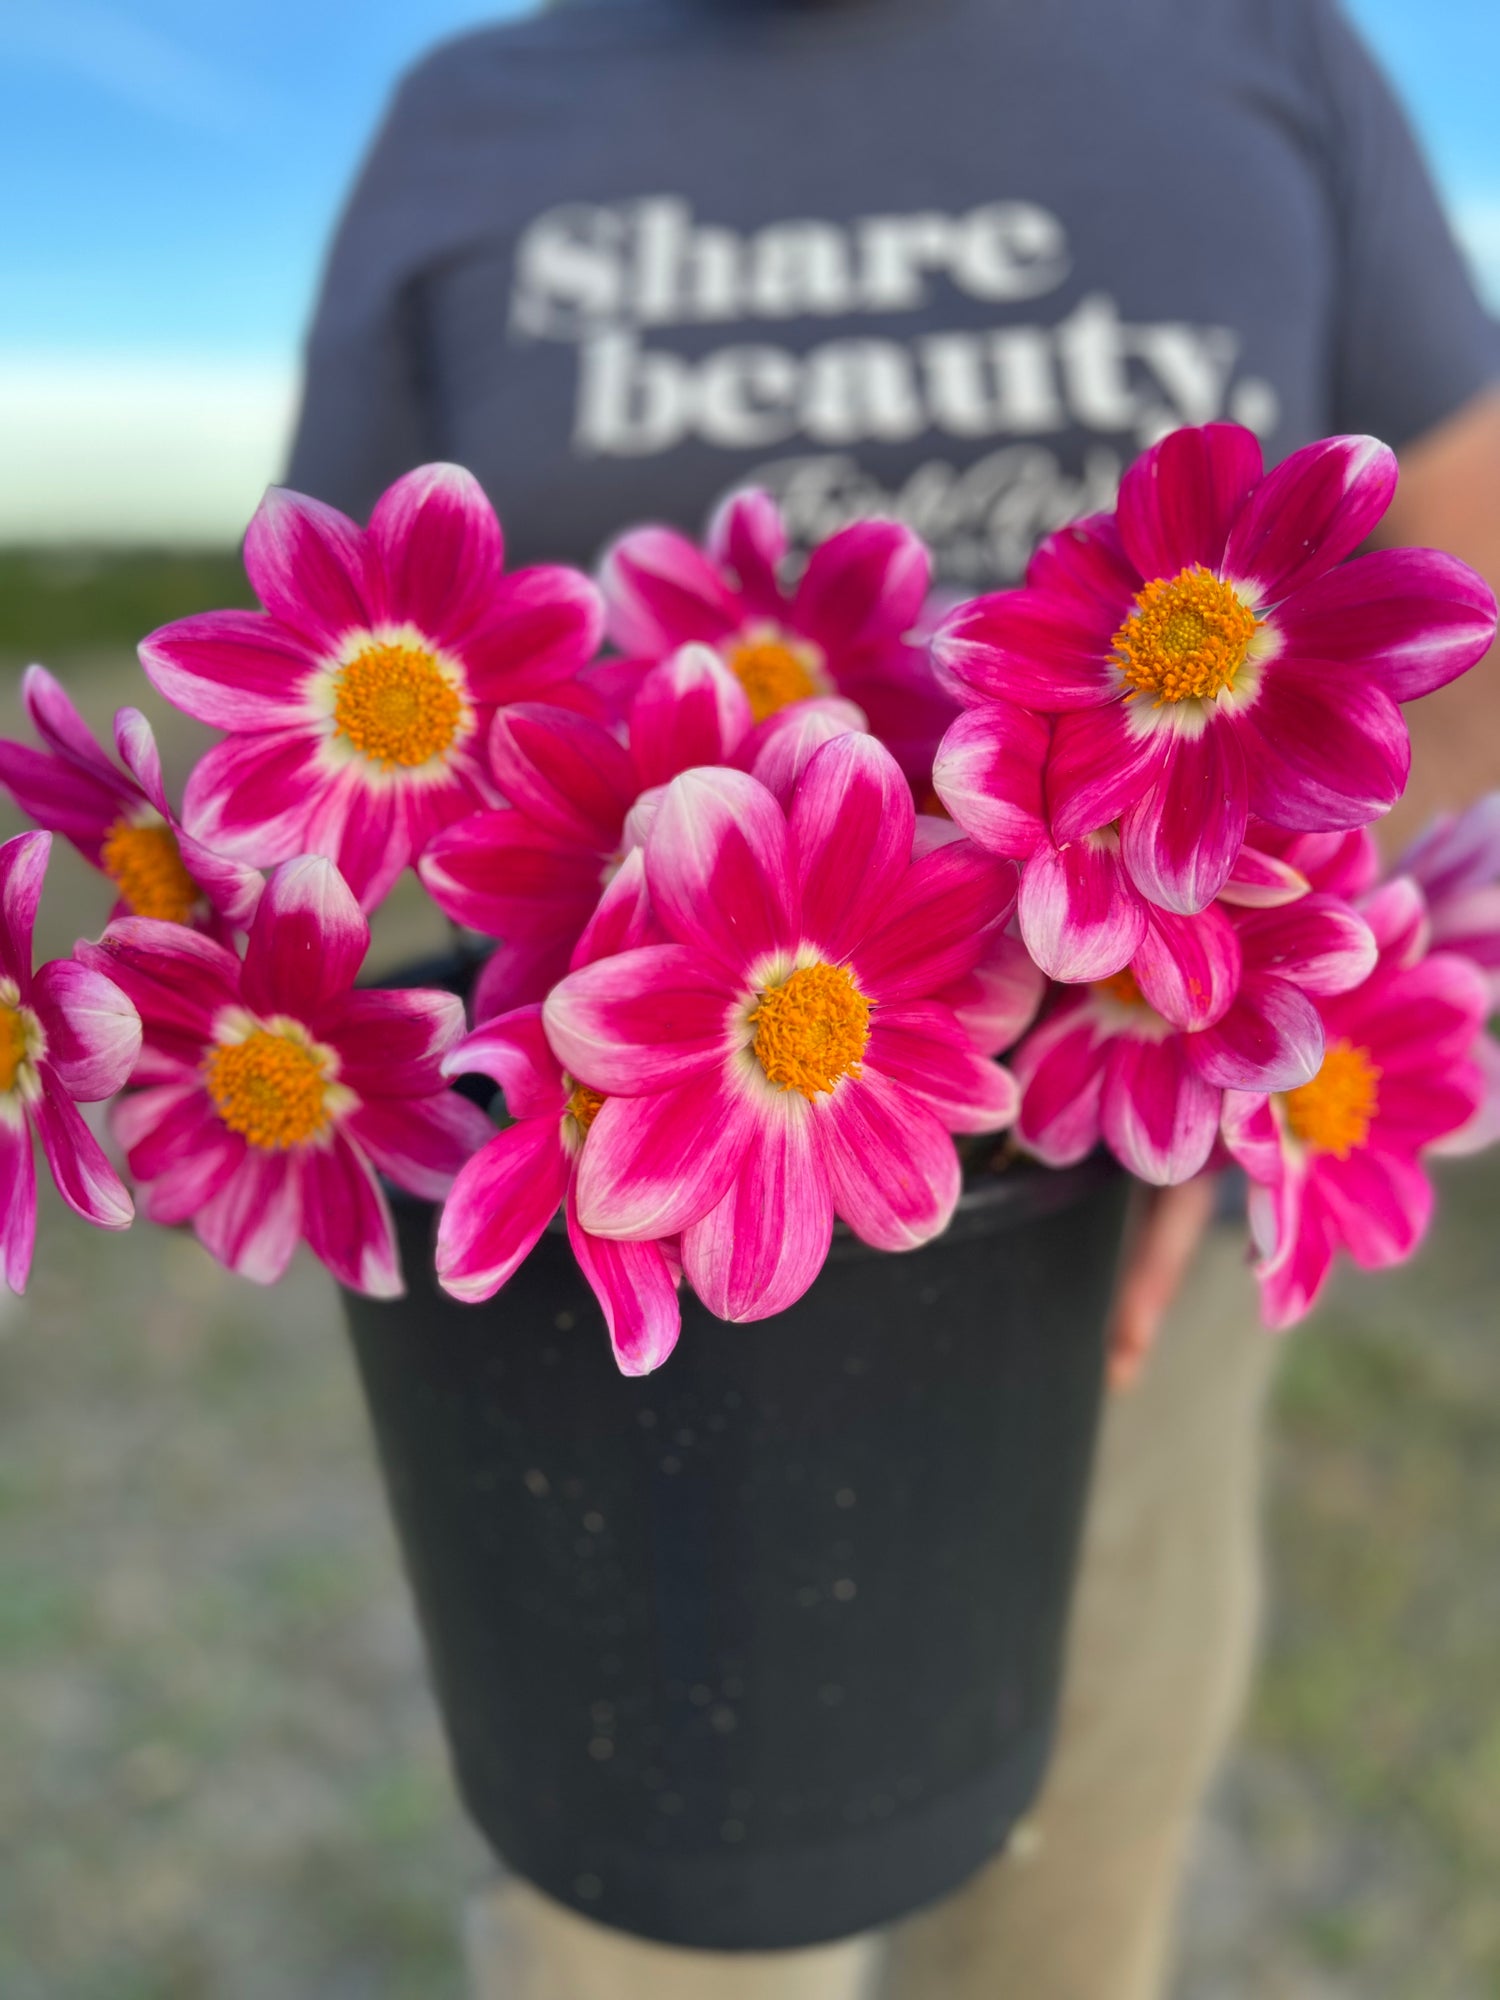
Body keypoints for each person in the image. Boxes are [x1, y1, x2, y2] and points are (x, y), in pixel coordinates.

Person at [287, 0, 1500, 1992]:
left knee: (1069, 1900)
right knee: (649, 1929)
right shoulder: (464, 115)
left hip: (1116, 1267)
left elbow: (1470, 598)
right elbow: (342, 651)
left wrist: (1219, 993)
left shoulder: (1269, 53)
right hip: (617, 1316)